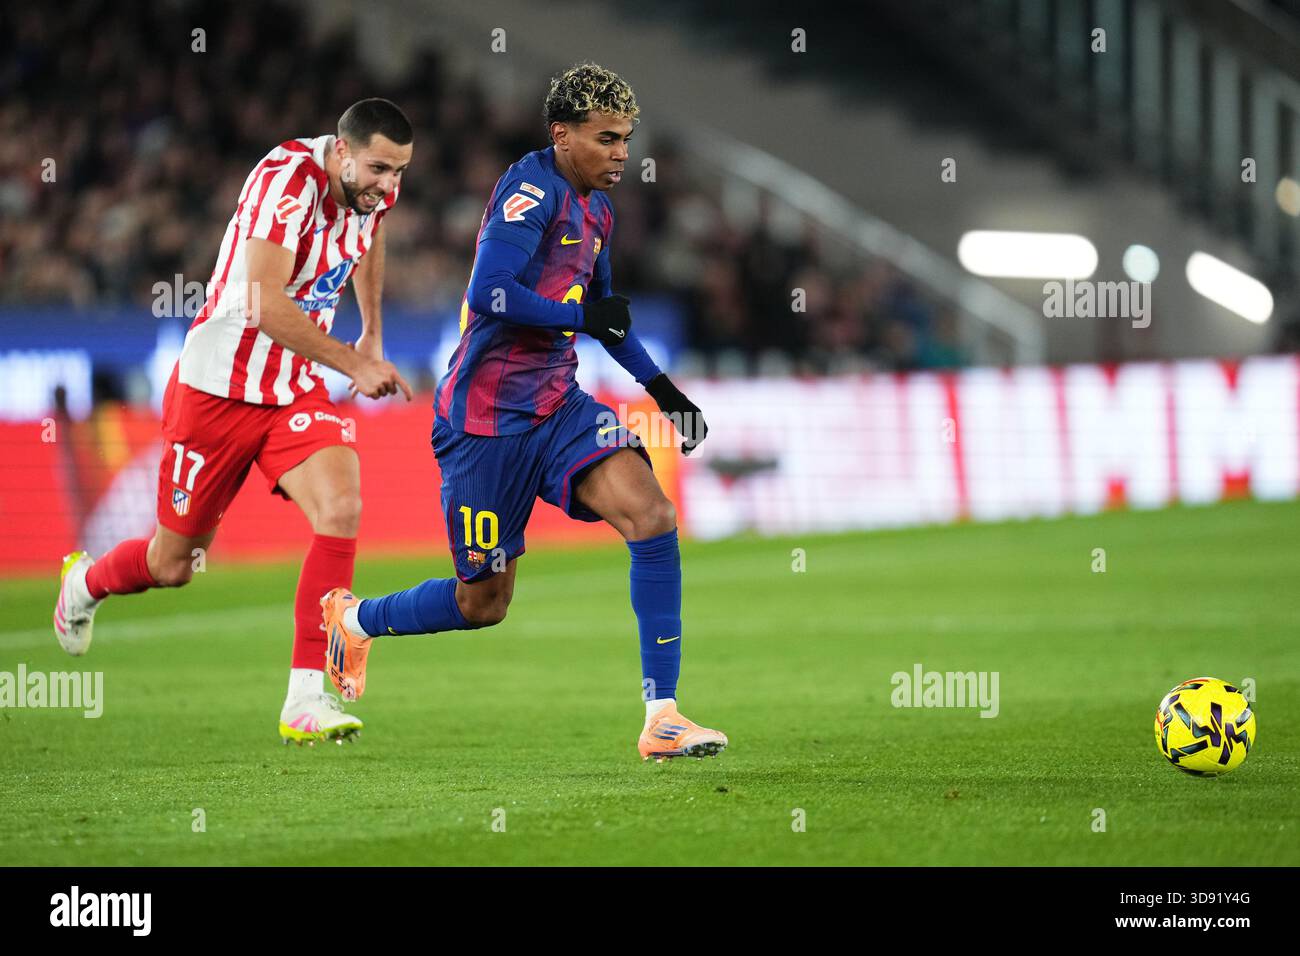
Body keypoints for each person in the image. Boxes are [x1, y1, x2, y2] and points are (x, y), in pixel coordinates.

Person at [321, 64, 727, 762]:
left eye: (627, 140)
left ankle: (662, 714)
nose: (622, 154)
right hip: (482, 427)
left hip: (558, 408)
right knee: (484, 604)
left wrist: (666, 394)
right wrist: (578, 313)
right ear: (562, 134)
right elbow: (490, 294)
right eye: (606, 139)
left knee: (653, 516)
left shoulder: (599, 209)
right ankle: (354, 619)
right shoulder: (531, 189)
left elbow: (607, 321)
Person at [53, 99, 415, 746]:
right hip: (218, 388)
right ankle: (85, 582)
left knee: (342, 506)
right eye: (381, 170)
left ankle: (306, 698)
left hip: (292, 387)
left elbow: (372, 235)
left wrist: (374, 334)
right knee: (174, 564)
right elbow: (264, 305)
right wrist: (351, 365)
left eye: (400, 173)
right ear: (342, 151)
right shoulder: (287, 179)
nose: (391, 187)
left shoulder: (369, 193)